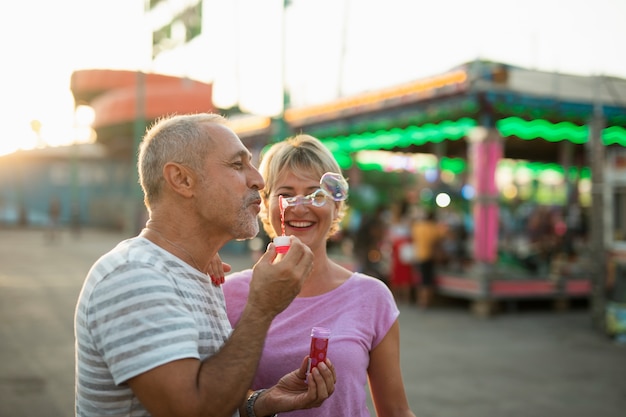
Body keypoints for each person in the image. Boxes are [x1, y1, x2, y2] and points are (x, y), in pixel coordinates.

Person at [74, 114, 336, 417]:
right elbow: (192, 410)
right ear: (183, 180)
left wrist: (261, 402)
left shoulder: (196, 276)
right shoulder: (134, 276)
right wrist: (262, 307)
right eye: (238, 165)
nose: (259, 180)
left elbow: (213, 394)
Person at [223, 134, 416, 417]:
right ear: (265, 205)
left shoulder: (373, 296)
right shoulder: (229, 294)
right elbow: (209, 399)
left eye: (317, 193)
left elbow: (396, 411)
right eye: (286, 194)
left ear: (337, 206)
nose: (300, 206)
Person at [410, 208, 447, 309]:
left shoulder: (417, 226)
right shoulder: (433, 227)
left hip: (417, 255)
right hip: (428, 257)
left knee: (419, 279)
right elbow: (440, 239)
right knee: (427, 281)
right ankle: (426, 302)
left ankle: (420, 300)